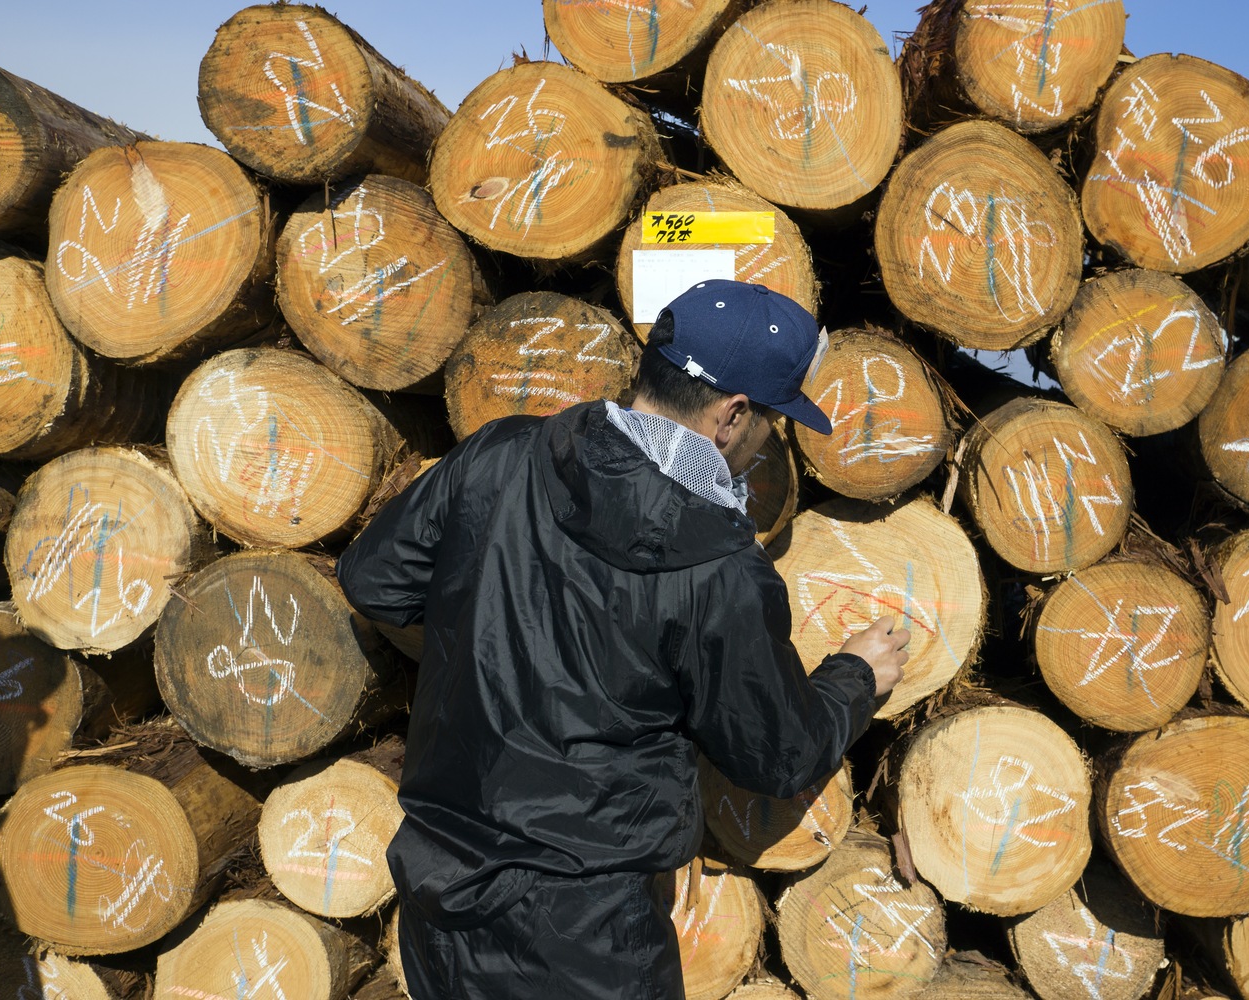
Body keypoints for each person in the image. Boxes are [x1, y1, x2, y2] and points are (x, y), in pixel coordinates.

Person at [335, 279, 909, 999]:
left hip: (438, 884)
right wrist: (853, 676)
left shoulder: (502, 453)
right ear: (733, 415)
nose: (770, 440)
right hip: (586, 933)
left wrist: (488, 623)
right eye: (772, 420)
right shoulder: (718, 567)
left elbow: (375, 579)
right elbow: (774, 753)